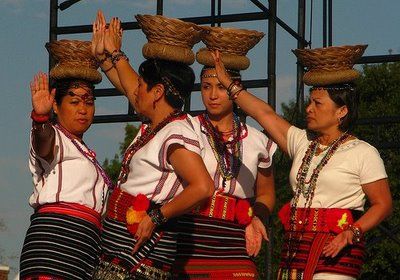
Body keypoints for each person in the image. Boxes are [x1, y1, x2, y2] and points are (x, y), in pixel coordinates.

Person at [209, 45, 393, 280]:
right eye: (310, 102)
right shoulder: (302, 141)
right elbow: (264, 114)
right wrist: (229, 84)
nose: (309, 109)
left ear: (342, 111)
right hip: (296, 249)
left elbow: (383, 204)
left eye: (318, 104)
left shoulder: (363, 152)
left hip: (336, 249)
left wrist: (352, 232)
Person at [91, 12, 214, 279]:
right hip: (120, 240)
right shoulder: (156, 126)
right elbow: (130, 85)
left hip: (142, 245)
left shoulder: (177, 132)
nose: (135, 91)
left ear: (157, 92)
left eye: (143, 86)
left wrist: (156, 217)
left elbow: (203, 187)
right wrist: (110, 56)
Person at [173, 26, 277, 279]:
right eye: (206, 87)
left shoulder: (257, 140)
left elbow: (266, 193)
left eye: (220, 87)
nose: (212, 95)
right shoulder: (186, 129)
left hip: (235, 241)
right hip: (190, 238)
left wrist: (257, 219)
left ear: (234, 89)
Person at [20, 40, 112, 279]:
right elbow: (43, 144)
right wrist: (40, 117)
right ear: (57, 108)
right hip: (54, 243)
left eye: (88, 102)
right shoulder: (52, 135)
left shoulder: (85, 151)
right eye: (74, 102)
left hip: (83, 247)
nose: (83, 109)